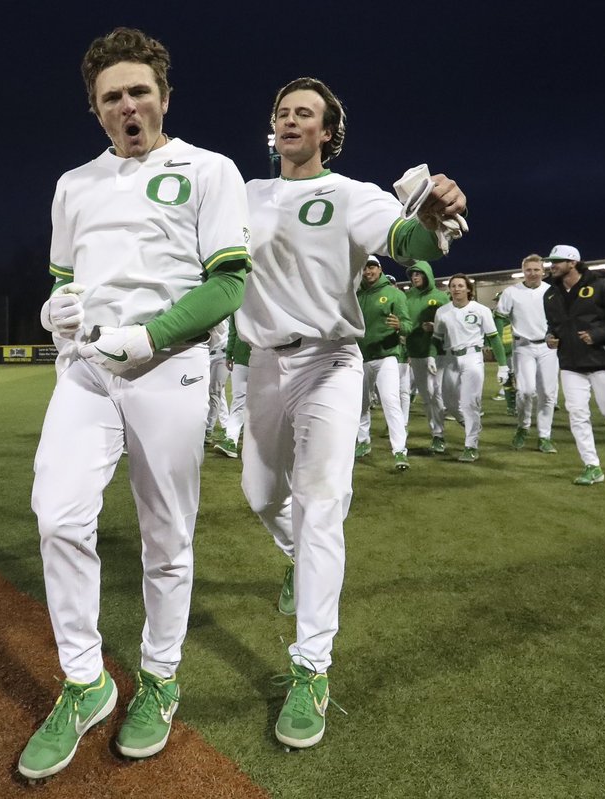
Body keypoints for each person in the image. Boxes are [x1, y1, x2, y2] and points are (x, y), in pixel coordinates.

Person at [19, 28, 252, 780]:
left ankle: (158, 677)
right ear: (95, 109)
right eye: (112, 96)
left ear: (164, 97)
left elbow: (227, 284)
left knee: (167, 535)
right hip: (86, 372)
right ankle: (86, 682)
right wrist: (56, 310)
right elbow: (62, 280)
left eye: (139, 91)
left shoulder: (210, 170)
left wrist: (149, 337)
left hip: (170, 368)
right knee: (57, 514)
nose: (128, 105)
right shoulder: (72, 184)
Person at [236, 76, 466, 750]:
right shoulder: (244, 194)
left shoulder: (351, 194)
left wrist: (433, 216)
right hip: (263, 362)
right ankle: (294, 559)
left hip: (331, 362)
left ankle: (312, 667)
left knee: (322, 502)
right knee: (259, 494)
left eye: (304, 113)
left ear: (328, 133)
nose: (289, 120)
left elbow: (409, 243)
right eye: (282, 111)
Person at [542, 244, 605, 485]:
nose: (552, 266)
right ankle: (592, 466)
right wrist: (550, 337)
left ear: (572, 263)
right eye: (551, 262)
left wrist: (598, 334)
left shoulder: (603, 285)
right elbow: (554, 325)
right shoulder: (550, 293)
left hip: (602, 358)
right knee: (577, 413)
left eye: (557, 262)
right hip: (571, 362)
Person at [432, 274, 506, 461]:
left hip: (473, 358)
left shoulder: (481, 310)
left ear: (468, 289)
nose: (456, 289)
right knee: (448, 403)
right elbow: (437, 339)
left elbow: (495, 338)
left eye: (460, 285)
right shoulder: (442, 311)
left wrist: (503, 366)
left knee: (469, 403)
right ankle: (470, 423)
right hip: (450, 359)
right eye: (453, 286)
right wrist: (432, 357)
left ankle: (471, 446)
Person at [494, 254, 559, 453]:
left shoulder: (552, 291)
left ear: (543, 271)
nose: (532, 273)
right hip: (522, 346)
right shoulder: (511, 292)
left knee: (548, 394)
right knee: (526, 391)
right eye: (528, 270)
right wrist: (497, 342)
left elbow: (562, 318)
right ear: (523, 271)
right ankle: (523, 427)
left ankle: (544, 436)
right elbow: (499, 318)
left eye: (536, 270)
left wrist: (558, 335)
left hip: (548, 348)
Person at [355, 255, 413, 470]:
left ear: (379, 269)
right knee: (360, 405)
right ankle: (363, 442)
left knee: (391, 402)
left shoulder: (393, 294)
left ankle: (399, 451)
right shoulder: (356, 294)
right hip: (361, 357)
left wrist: (400, 326)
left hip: (386, 355)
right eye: (364, 268)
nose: (368, 272)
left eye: (371, 267)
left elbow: (408, 324)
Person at [404, 261, 449, 453]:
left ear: (427, 275)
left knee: (435, 393)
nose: (415, 277)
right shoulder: (407, 297)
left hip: (438, 353)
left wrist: (436, 327)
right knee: (427, 396)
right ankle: (436, 433)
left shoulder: (440, 297)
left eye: (419, 274)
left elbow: (450, 324)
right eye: (413, 275)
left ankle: (440, 433)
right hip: (415, 352)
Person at [219, 313, 251, 458]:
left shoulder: (239, 300)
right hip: (247, 357)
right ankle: (232, 440)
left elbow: (233, 331)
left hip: (250, 356)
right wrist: (229, 354)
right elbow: (233, 330)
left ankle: (233, 439)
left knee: (242, 400)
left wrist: (230, 353)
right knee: (242, 399)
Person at [206, 319, 232, 449]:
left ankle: (208, 430)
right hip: (208, 355)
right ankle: (226, 424)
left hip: (222, 354)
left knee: (214, 392)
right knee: (218, 393)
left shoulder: (221, 314)